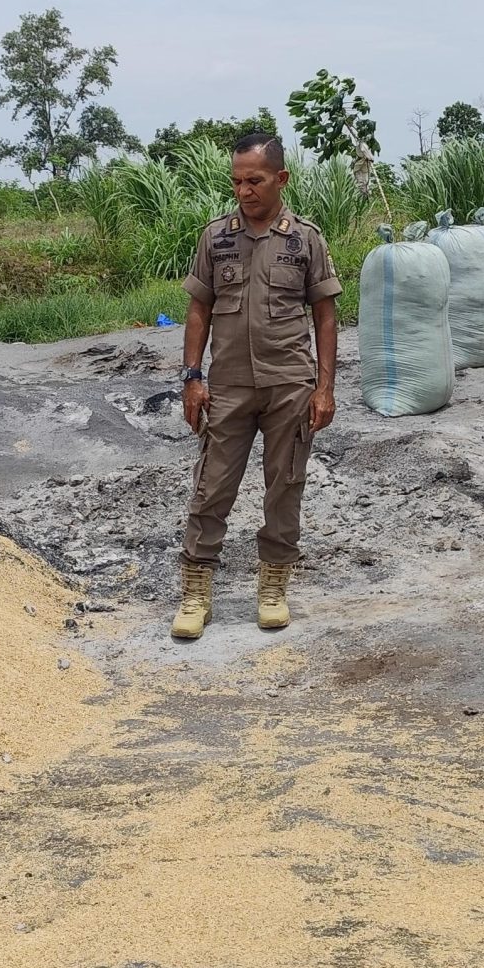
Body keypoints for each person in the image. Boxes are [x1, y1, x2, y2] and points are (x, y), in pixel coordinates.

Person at [170, 131, 343, 639]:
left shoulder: (305, 239)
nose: (244, 191)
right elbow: (198, 310)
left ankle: (273, 586)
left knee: (284, 487)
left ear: (281, 179)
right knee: (211, 488)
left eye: (255, 180)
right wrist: (191, 378)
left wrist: (324, 388)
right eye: (237, 181)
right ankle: (196, 592)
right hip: (228, 385)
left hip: (289, 384)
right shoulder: (215, 237)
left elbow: (326, 317)